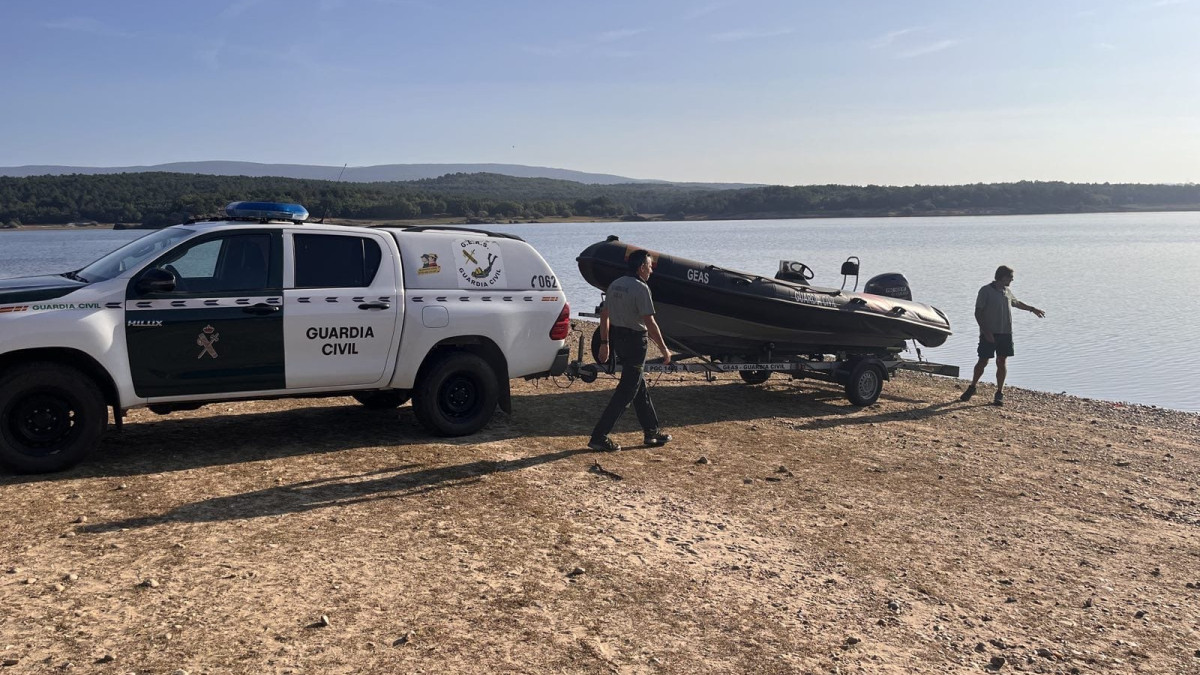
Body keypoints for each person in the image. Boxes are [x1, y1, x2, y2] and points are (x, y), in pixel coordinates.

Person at [588, 249, 673, 452]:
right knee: (626, 391)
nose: (651, 271)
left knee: (638, 385)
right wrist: (664, 350)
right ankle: (599, 436)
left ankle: (651, 432)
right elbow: (650, 323)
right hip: (635, 342)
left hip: (619, 340)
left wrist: (605, 343)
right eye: (650, 267)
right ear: (642, 267)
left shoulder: (615, 284)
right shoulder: (641, 288)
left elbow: (604, 315)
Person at [961, 265, 1046, 406]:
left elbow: (1016, 303)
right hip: (989, 333)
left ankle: (999, 393)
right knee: (983, 361)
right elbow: (978, 313)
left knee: (1002, 362)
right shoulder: (985, 291)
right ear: (1002, 276)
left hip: (1005, 333)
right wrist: (986, 332)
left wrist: (1032, 309)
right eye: (1010, 277)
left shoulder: (1007, 291)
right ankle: (972, 387)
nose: (1012, 280)